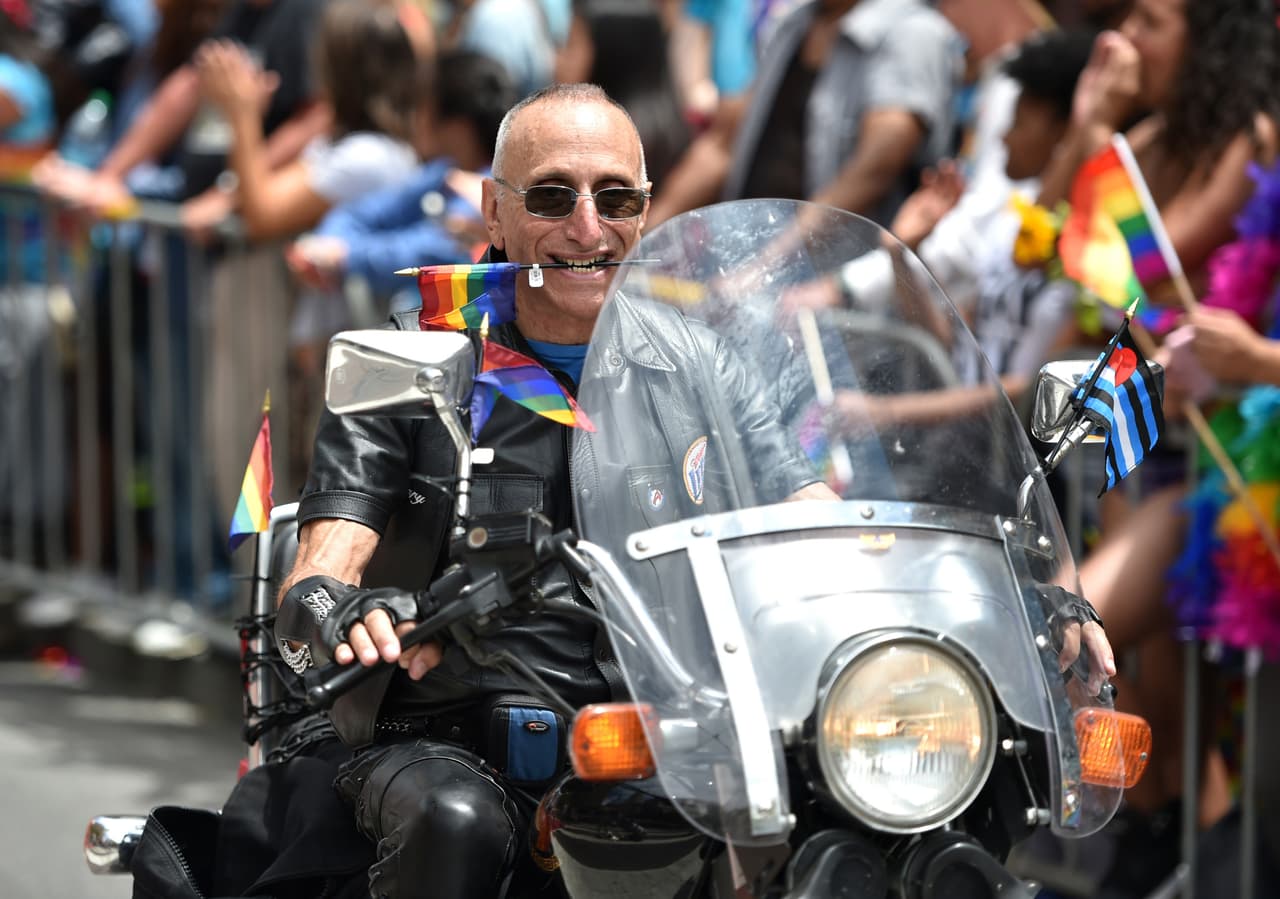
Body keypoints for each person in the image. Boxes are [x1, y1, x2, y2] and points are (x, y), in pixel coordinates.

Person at [646, 0, 962, 229]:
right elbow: (724, 145)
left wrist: (767, 265)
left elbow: (873, 172)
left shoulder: (913, 34)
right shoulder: (792, 23)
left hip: (835, 286)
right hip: (751, 258)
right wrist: (643, 233)